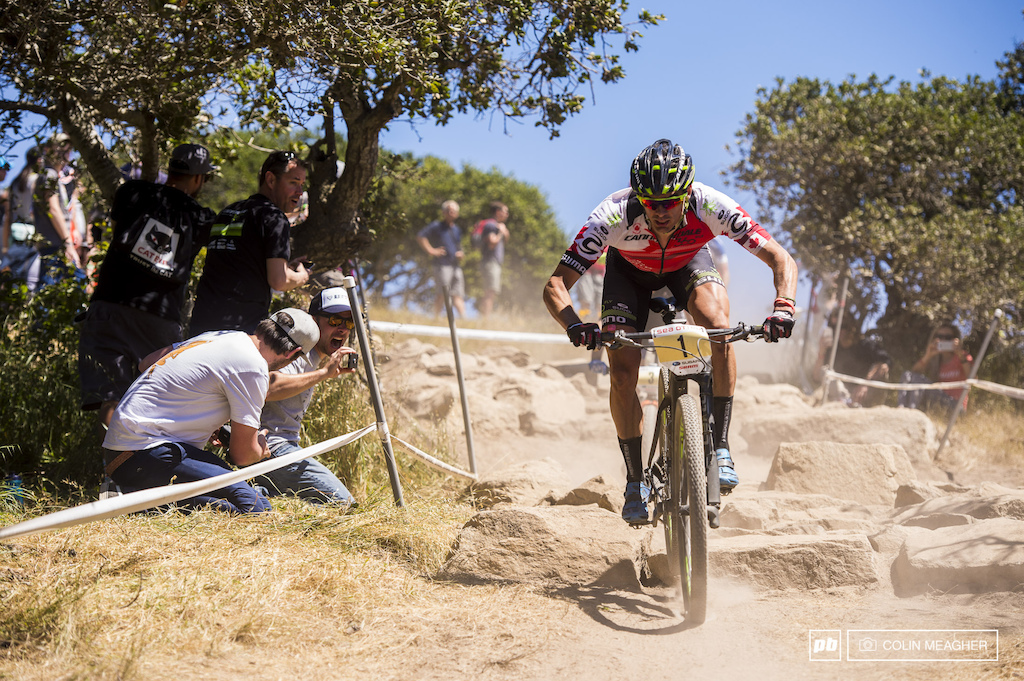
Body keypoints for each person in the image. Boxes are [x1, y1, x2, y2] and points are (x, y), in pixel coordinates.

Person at [542, 138, 798, 524]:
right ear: (638, 198)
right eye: (651, 203)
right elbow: (556, 284)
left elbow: (780, 257)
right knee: (623, 373)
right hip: (628, 275)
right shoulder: (612, 214)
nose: (660, 212)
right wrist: (575, 325)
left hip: (687, 265)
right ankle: (634, 481)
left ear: (687, 194)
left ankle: (721, 447)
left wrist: (784, 307)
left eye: (671, 202)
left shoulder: (711, 205)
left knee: (718, 328)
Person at [102, 309, 320, 513]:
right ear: (293, 352)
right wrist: (261, 450)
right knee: (252, 507)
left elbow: (147, 363)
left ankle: (137, 495)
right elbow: (243, 455)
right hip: (144, 452)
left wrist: (201, 419)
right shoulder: (253, 366)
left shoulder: (222, 337)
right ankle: (130, 499)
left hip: (127, 449)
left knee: (258, 501)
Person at [78, 143, 218, 428]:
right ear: (198, 178)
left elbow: (117, 232)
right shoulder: (201, 217)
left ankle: (113, 456)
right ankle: (143, 454)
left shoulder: (132, 192)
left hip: (110, 305)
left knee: (111, 398)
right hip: (159, 318)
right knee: (154, 400)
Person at [189, 150, 311, 335]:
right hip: (238, 332)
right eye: (293, 182)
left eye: (302, 184)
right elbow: (279, 281)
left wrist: (284, 267)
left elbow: (242, 261)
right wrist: (302, 276)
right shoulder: (274, 217)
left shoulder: (228, 211)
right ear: (270, 180)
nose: (300, 192)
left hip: (201, 324)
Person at [255, 287, 358, 505]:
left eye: (349, 323)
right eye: (334, 320)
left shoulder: (315, 357)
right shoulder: (297, 350)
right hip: (270, 446)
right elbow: (267, 387)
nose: (342, 329)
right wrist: (323, 374)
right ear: (314, 320)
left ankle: (260, 489)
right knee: (344, 504)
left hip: (285, 447)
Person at [32, 134, 83, 289]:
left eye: (68, 151)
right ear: (48, 150)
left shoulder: (55, 176)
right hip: (55, 245)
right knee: (73, 286)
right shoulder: (49, 175)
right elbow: (53, 209)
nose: (65, 155)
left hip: (58, 244)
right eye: (61, 150)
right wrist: (67, 244)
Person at [816, 313, 891, 407]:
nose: (837, 330)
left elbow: (885, 364)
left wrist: (865, 384)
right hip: (841, 395)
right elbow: (816, 377)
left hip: (865, 394)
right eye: (833, 326)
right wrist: (821, 352)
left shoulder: (866, 345)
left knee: (882, 368)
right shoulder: (833, 349)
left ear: (851, 327)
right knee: (825, 370)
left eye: (842, 326)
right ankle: (845, 402)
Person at [898, 323, 972, 414]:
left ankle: (911, 413)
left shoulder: (963, 357)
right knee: (906, 374)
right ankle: (901, 409)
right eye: (940, 336)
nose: (943, 340)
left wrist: (961, 355)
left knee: (919, 381)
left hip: (956, 406)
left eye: (948, 337)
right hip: (937, 402)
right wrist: (928, 355)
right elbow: (914, 373)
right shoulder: (935, 359)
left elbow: (972, 379)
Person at [417, 199, 466, 317]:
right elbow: (421, 236)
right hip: (442, 265)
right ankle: (436, 318)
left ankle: (464, 319)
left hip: (455, 266)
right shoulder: (437, 226)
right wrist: (431, 250)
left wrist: (461, 254)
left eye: (454, 211)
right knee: (442, 293)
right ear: (443, 212)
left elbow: (458, 245)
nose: (451, 213)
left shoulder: (457, 229)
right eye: (449, 210)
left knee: (458, 294)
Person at [1, 147, 42, 281]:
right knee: (29, 280)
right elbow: (36, 211)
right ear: (39, 160)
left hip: (14, 235)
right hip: (32, 235)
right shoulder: (36, 180)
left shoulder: (15, 183)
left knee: (12, 278)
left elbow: (8, 216)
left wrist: (5, 245)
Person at [476, 201, 510, 317]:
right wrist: (501, 232)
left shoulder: (497, 225)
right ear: (498, 212)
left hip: (494, 262)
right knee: (490, 291)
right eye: (505, 211)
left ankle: (485, 317)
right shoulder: (491, 225)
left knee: (491, 291)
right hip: (490, 262)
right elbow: (492, 242)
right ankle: (485, 318)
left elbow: (505, 240)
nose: (507, 214)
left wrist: (504, 232)